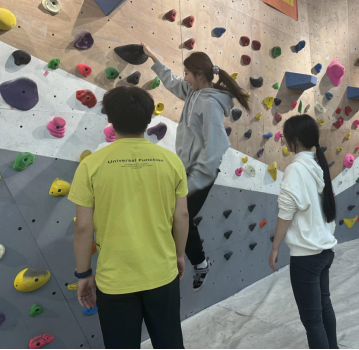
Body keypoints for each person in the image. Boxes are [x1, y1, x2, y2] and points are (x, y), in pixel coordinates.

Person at [69, 86, 189, 349]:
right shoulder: (171, 161)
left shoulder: (91, 165)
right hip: (162, 272)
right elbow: (181, 215)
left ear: (109, 118)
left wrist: (83, 273)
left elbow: (83, 228)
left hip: (115, 280)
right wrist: (179, 255)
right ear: (149, 118)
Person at [142, 43, 250, 292]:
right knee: (179, 217)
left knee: (180, 217)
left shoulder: (210, 103)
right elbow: (173, 82)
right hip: (186, 170)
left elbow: (216, 147)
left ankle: (198, 263)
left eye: (188, 73)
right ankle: (194, 262)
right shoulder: (194, 93)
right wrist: (153, 57)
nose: (185, 78)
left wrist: (192, 182)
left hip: (201, 173)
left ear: (200, 75)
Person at [269, 115, 339, 350]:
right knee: (324, 307)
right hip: (325, 251)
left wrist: (275, 247)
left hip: (307, 257)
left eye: (285, 138)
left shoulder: (296, 169)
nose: (285, 142)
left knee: (312, 320)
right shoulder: (317, 165)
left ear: (295, 140)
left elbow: (285, 213)